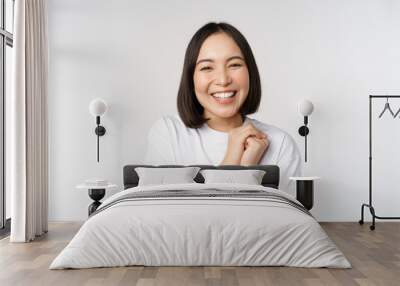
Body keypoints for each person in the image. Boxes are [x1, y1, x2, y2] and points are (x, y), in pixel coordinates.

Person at [144, 22, 301, 193]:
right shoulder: (169, 133)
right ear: (191, 78)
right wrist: (237, 164)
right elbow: (160, 213)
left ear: (250, 72)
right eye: (207, 67)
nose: (223, 79)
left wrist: (247, 169)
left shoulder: (281, 144)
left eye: (234, 65)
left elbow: (281, 218)